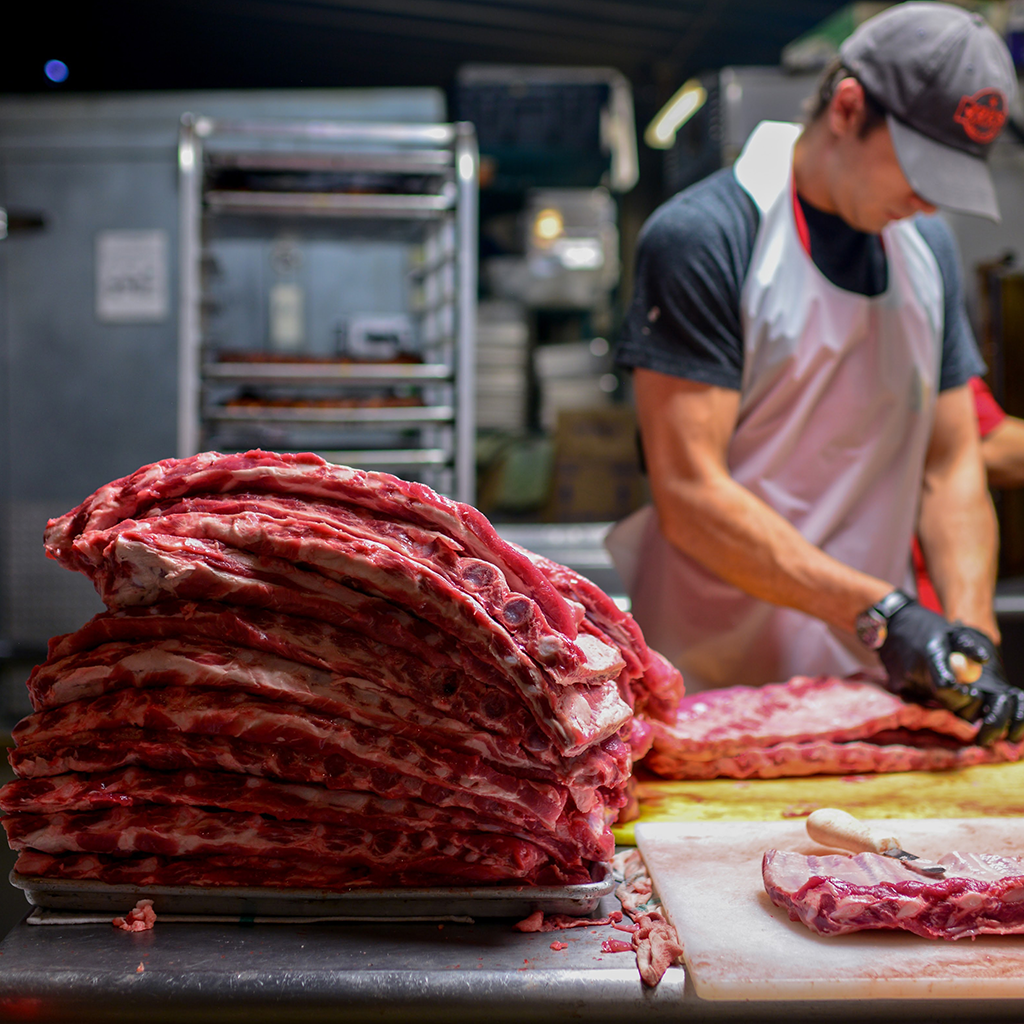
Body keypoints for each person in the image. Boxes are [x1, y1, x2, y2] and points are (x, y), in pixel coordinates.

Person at [608, 2, 1024, 744]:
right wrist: (884, 614)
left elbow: (952, 463)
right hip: (714, 683)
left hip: (871, 680)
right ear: (847, 107)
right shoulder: (707, 236)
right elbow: (690, 493)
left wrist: (967, 631)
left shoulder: (927, 249)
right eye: (920, 167)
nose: (930, 198)